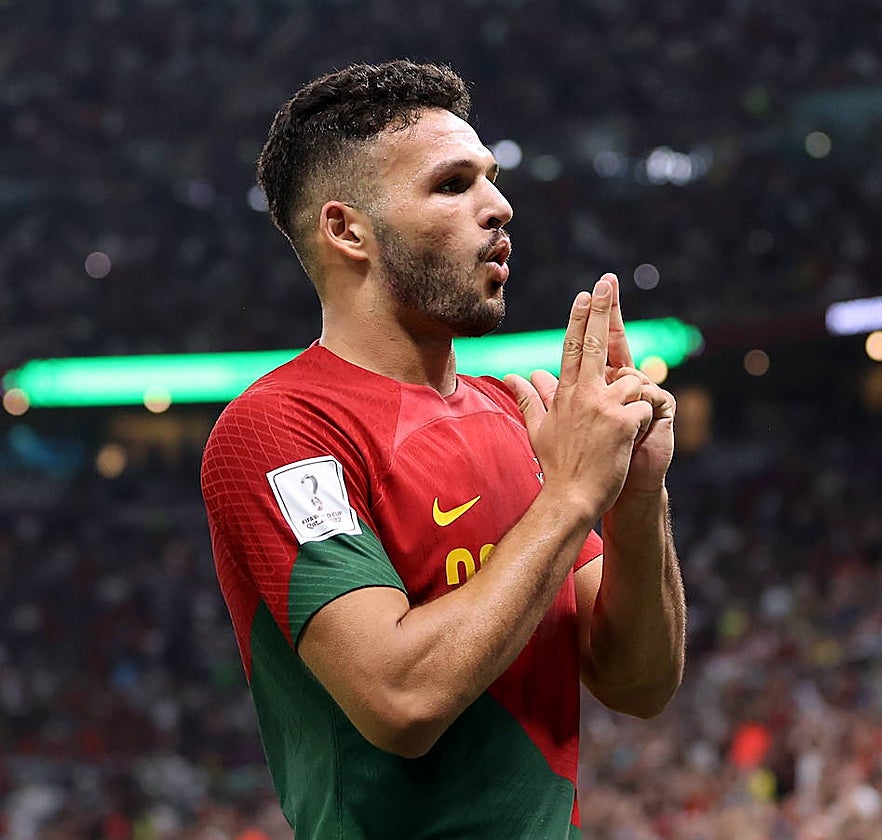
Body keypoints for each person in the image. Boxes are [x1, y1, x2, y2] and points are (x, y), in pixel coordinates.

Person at [199, 59, 686, 839]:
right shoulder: (281, 428)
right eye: (453, 185)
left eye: (491, 178)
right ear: (345, 229)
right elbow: (401, 701)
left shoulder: (512, 414)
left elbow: (639, 681)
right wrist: (570, 495)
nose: (500, 206)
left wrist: (635, 496)